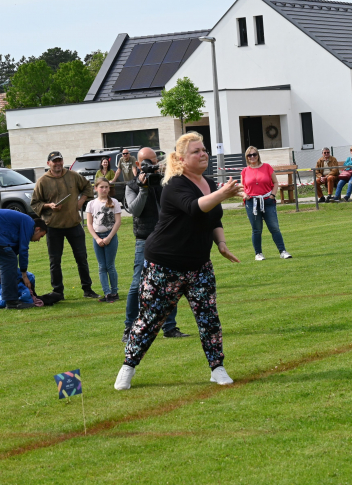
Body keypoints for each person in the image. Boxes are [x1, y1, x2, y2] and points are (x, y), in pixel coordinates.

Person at [115, 132, 241, 391]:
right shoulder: (173, 184)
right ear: (182, 159)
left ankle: (217, 369)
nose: (203, 153)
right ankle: (128, 367)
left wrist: (221, 244)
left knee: (209, 318)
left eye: (204, 149)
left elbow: (213, 218)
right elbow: (195, 207)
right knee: (150, 319)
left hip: (198, 265)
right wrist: (224, 194)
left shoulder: (207, 182)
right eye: (197, 151)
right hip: (164, 264)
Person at [123, 147, 190, 342]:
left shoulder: (165, 181)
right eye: (146, 163)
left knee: (171, 284)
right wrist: (143, 189)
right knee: (137, 285)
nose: (151, 166)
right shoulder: (132, 185)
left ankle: (170, 327)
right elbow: (135, 210)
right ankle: (129, 328)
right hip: (144, 239)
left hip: (167, 238)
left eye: (154, 162)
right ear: (138, 165)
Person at [30, 151, 98, 299]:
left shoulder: (73, 176)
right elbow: (35, 203)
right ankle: (58, 291)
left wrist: (81, 202)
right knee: (55, 261)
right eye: (55, 161)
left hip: (74, 224)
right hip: (53, 227)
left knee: (82, 258)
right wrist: (49, 206)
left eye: (60, 160)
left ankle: (87, 289)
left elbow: (87, 187)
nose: (58, 163)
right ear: (49, 163)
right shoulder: (43, 181)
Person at [0, 208, 47, 309]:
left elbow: (13, 249)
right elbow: (23, 249)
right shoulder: (29, 223)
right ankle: (12, 301)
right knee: (9, 261)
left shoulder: (21, 223)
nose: (38, 240)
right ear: (37, 229)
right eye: (41, 236)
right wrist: (24, 274)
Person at [240, 146, 292, 261]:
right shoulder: (245, 171)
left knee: (274, 227)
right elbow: (243, 187)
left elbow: (275, 182)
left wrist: (272, 195)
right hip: (252, 202)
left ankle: (283, 251)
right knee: (256, 229)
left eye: (254, 154)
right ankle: (258, 253)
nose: (252, 157)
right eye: (249, 155)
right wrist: (245, 195)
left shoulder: (267, 167)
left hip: (267, 201)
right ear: (247, 158)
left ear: (258, 155)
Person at [86, 177, 122, 302]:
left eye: (106, 187)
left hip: (110, 236)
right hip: (98, 237)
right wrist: (97, 238)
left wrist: (109, 237)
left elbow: (117, 221)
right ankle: (106, 292)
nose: (104, 189)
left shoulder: (114, 202)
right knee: (102, 266)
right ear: (96, 188)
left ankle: (114, 291)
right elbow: (89, 224)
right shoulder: (91, 204)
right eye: (101, 187)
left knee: (110, 265)